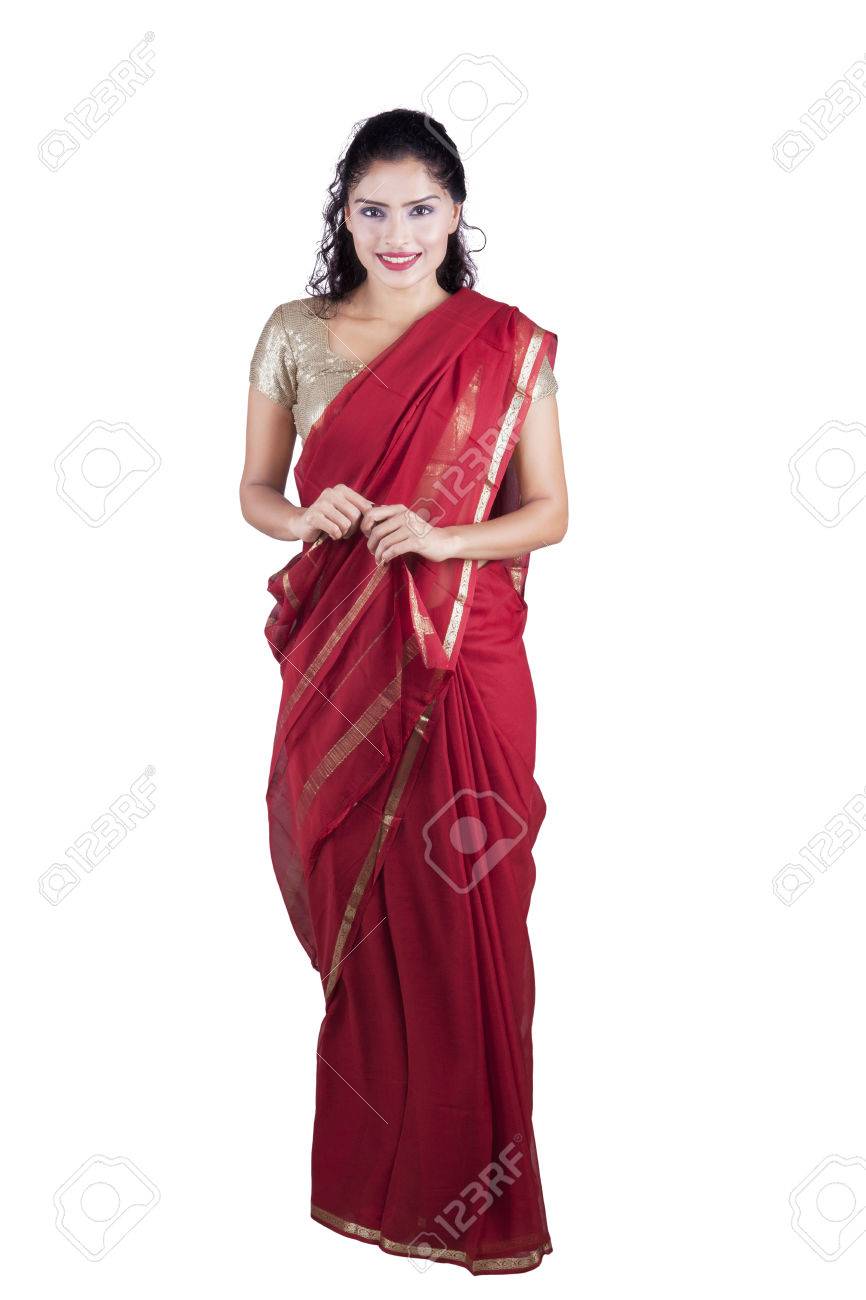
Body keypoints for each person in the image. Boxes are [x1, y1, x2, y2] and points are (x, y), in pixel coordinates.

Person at [240, 107, 567, 1275]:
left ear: (455, 213)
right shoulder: (294, 332)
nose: (395, 232)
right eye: (372, 208)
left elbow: (548, 512)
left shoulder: (504, 344)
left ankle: (478, 1192)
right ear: (343, 212)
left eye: (420, 209)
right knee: (368, 899)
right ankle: (376, 1176)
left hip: (463, 656)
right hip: (341, 654)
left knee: (469, 905)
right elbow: (255, 491)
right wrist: (304, 516)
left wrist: (440, 535)